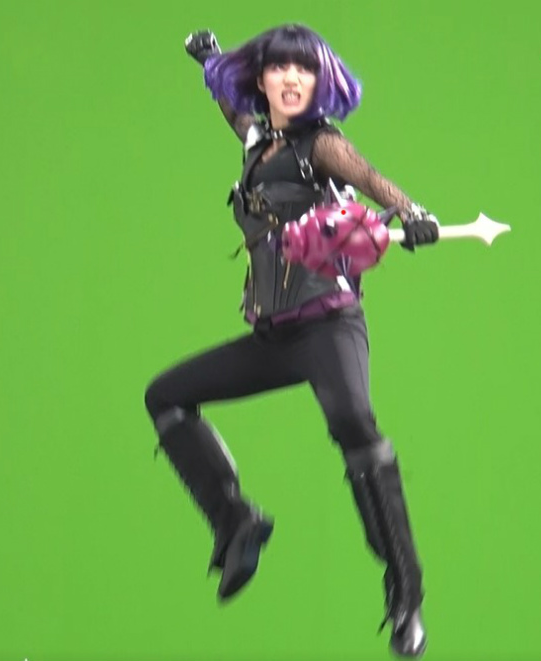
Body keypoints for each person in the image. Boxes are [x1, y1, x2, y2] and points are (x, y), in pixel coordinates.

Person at [144, 23, 439, 658]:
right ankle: (236, 521)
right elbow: (231, 108)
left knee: (354, 425)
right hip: (274, 335)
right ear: (263, 78)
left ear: (319, 81)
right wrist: (211, 62)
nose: (291, 79)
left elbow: (370, 177)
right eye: (279, 68)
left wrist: (414, 214)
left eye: (303, 69)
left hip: (328, 324)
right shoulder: (258, 143)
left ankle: (406, 595)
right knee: (165, 397)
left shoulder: (320, 146)